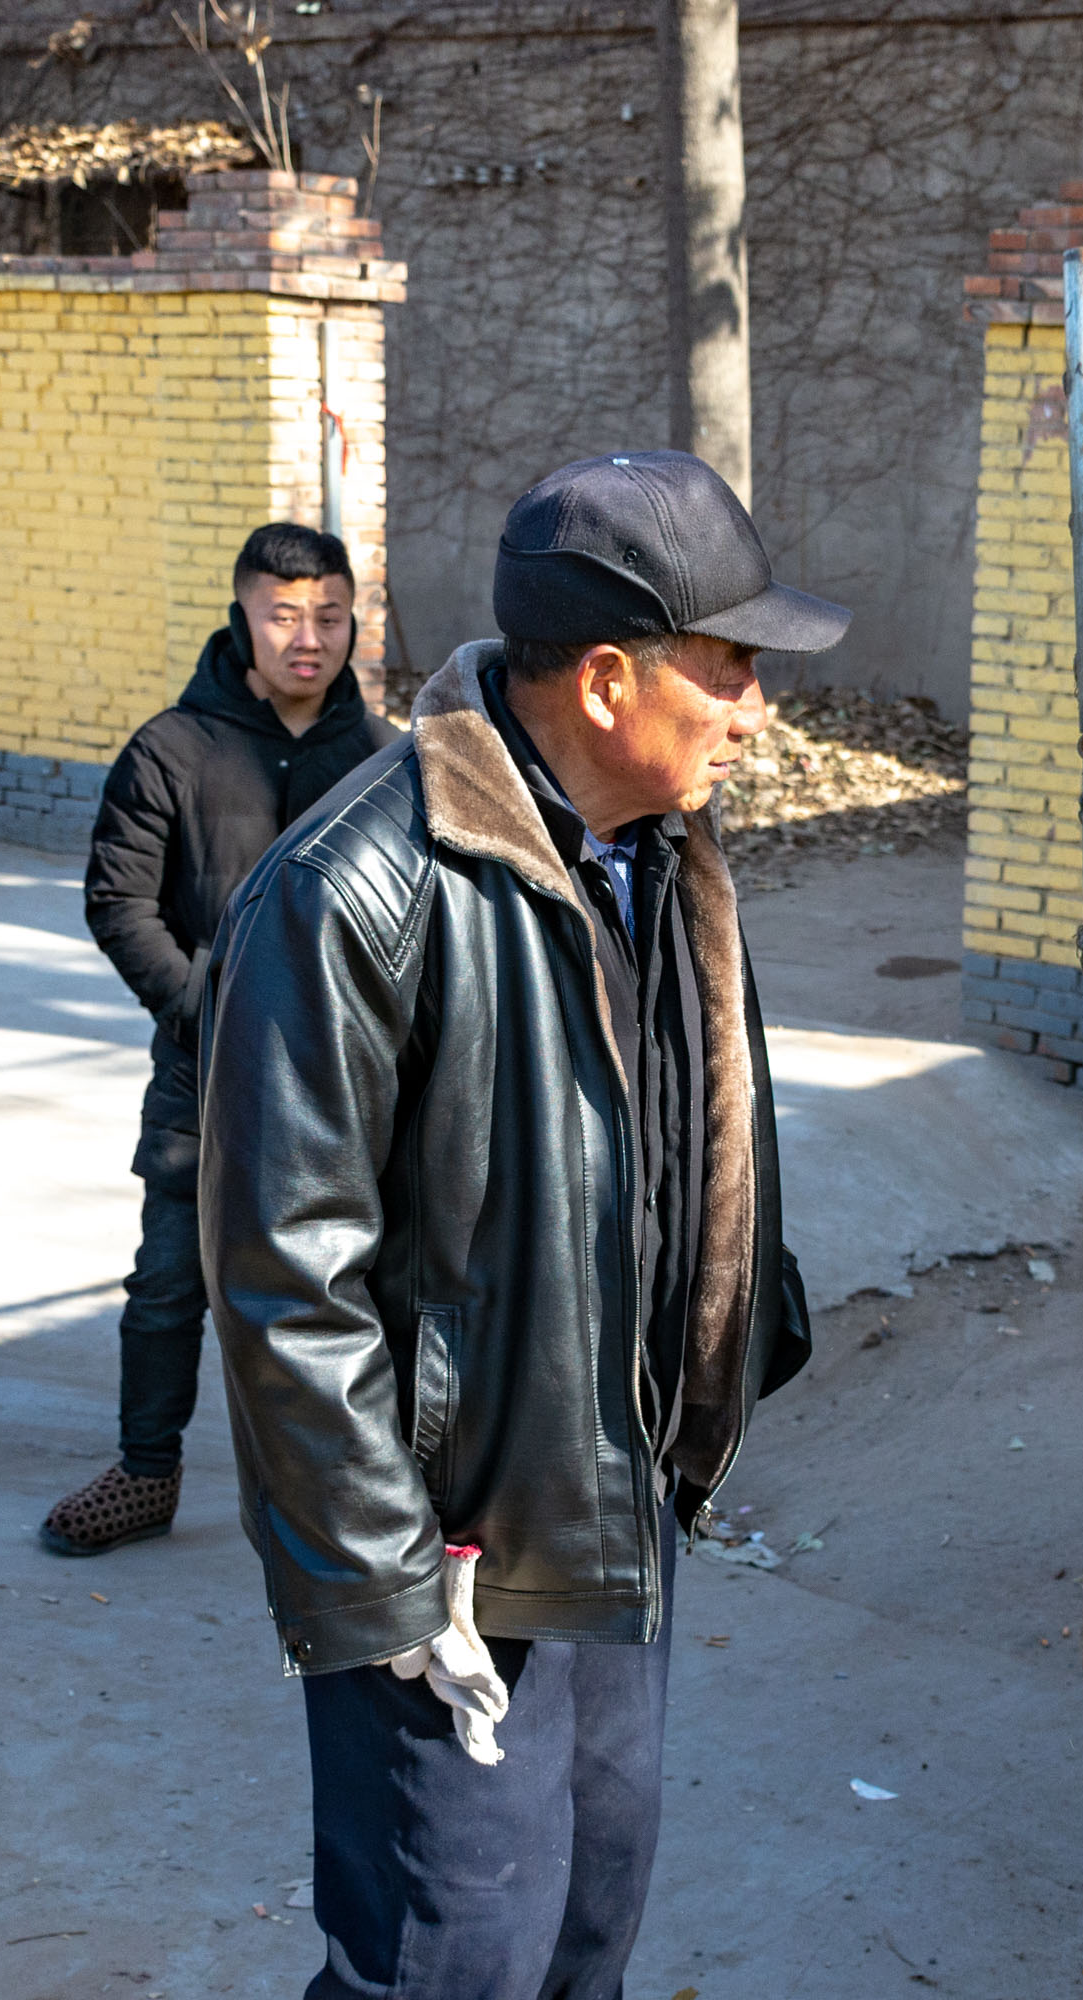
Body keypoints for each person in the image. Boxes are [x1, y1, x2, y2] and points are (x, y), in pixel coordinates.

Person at [198, 451, 836, 1997]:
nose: (758, 707)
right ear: (609, 678)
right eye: (730, 666)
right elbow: (287, 1283)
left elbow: (682, 1151)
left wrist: (734, 1341)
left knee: (581, 1935)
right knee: (447, 1960)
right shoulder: (356, 891)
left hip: (619, 1515)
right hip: (456, 1557)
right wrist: (392, 1593)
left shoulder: (664, 858)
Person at [44, 523, 400, 1557]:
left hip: (342, 1084)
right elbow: (119, 901)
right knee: (167, 1283)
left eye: (328, 615)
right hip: (203, 1072)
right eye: (284, 613)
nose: (309, 636)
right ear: (244, 613)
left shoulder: (383, 763)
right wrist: (204, 1004)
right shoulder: (173, 749)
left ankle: (340, 1490)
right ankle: (145, 1472)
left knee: (345, 1290)